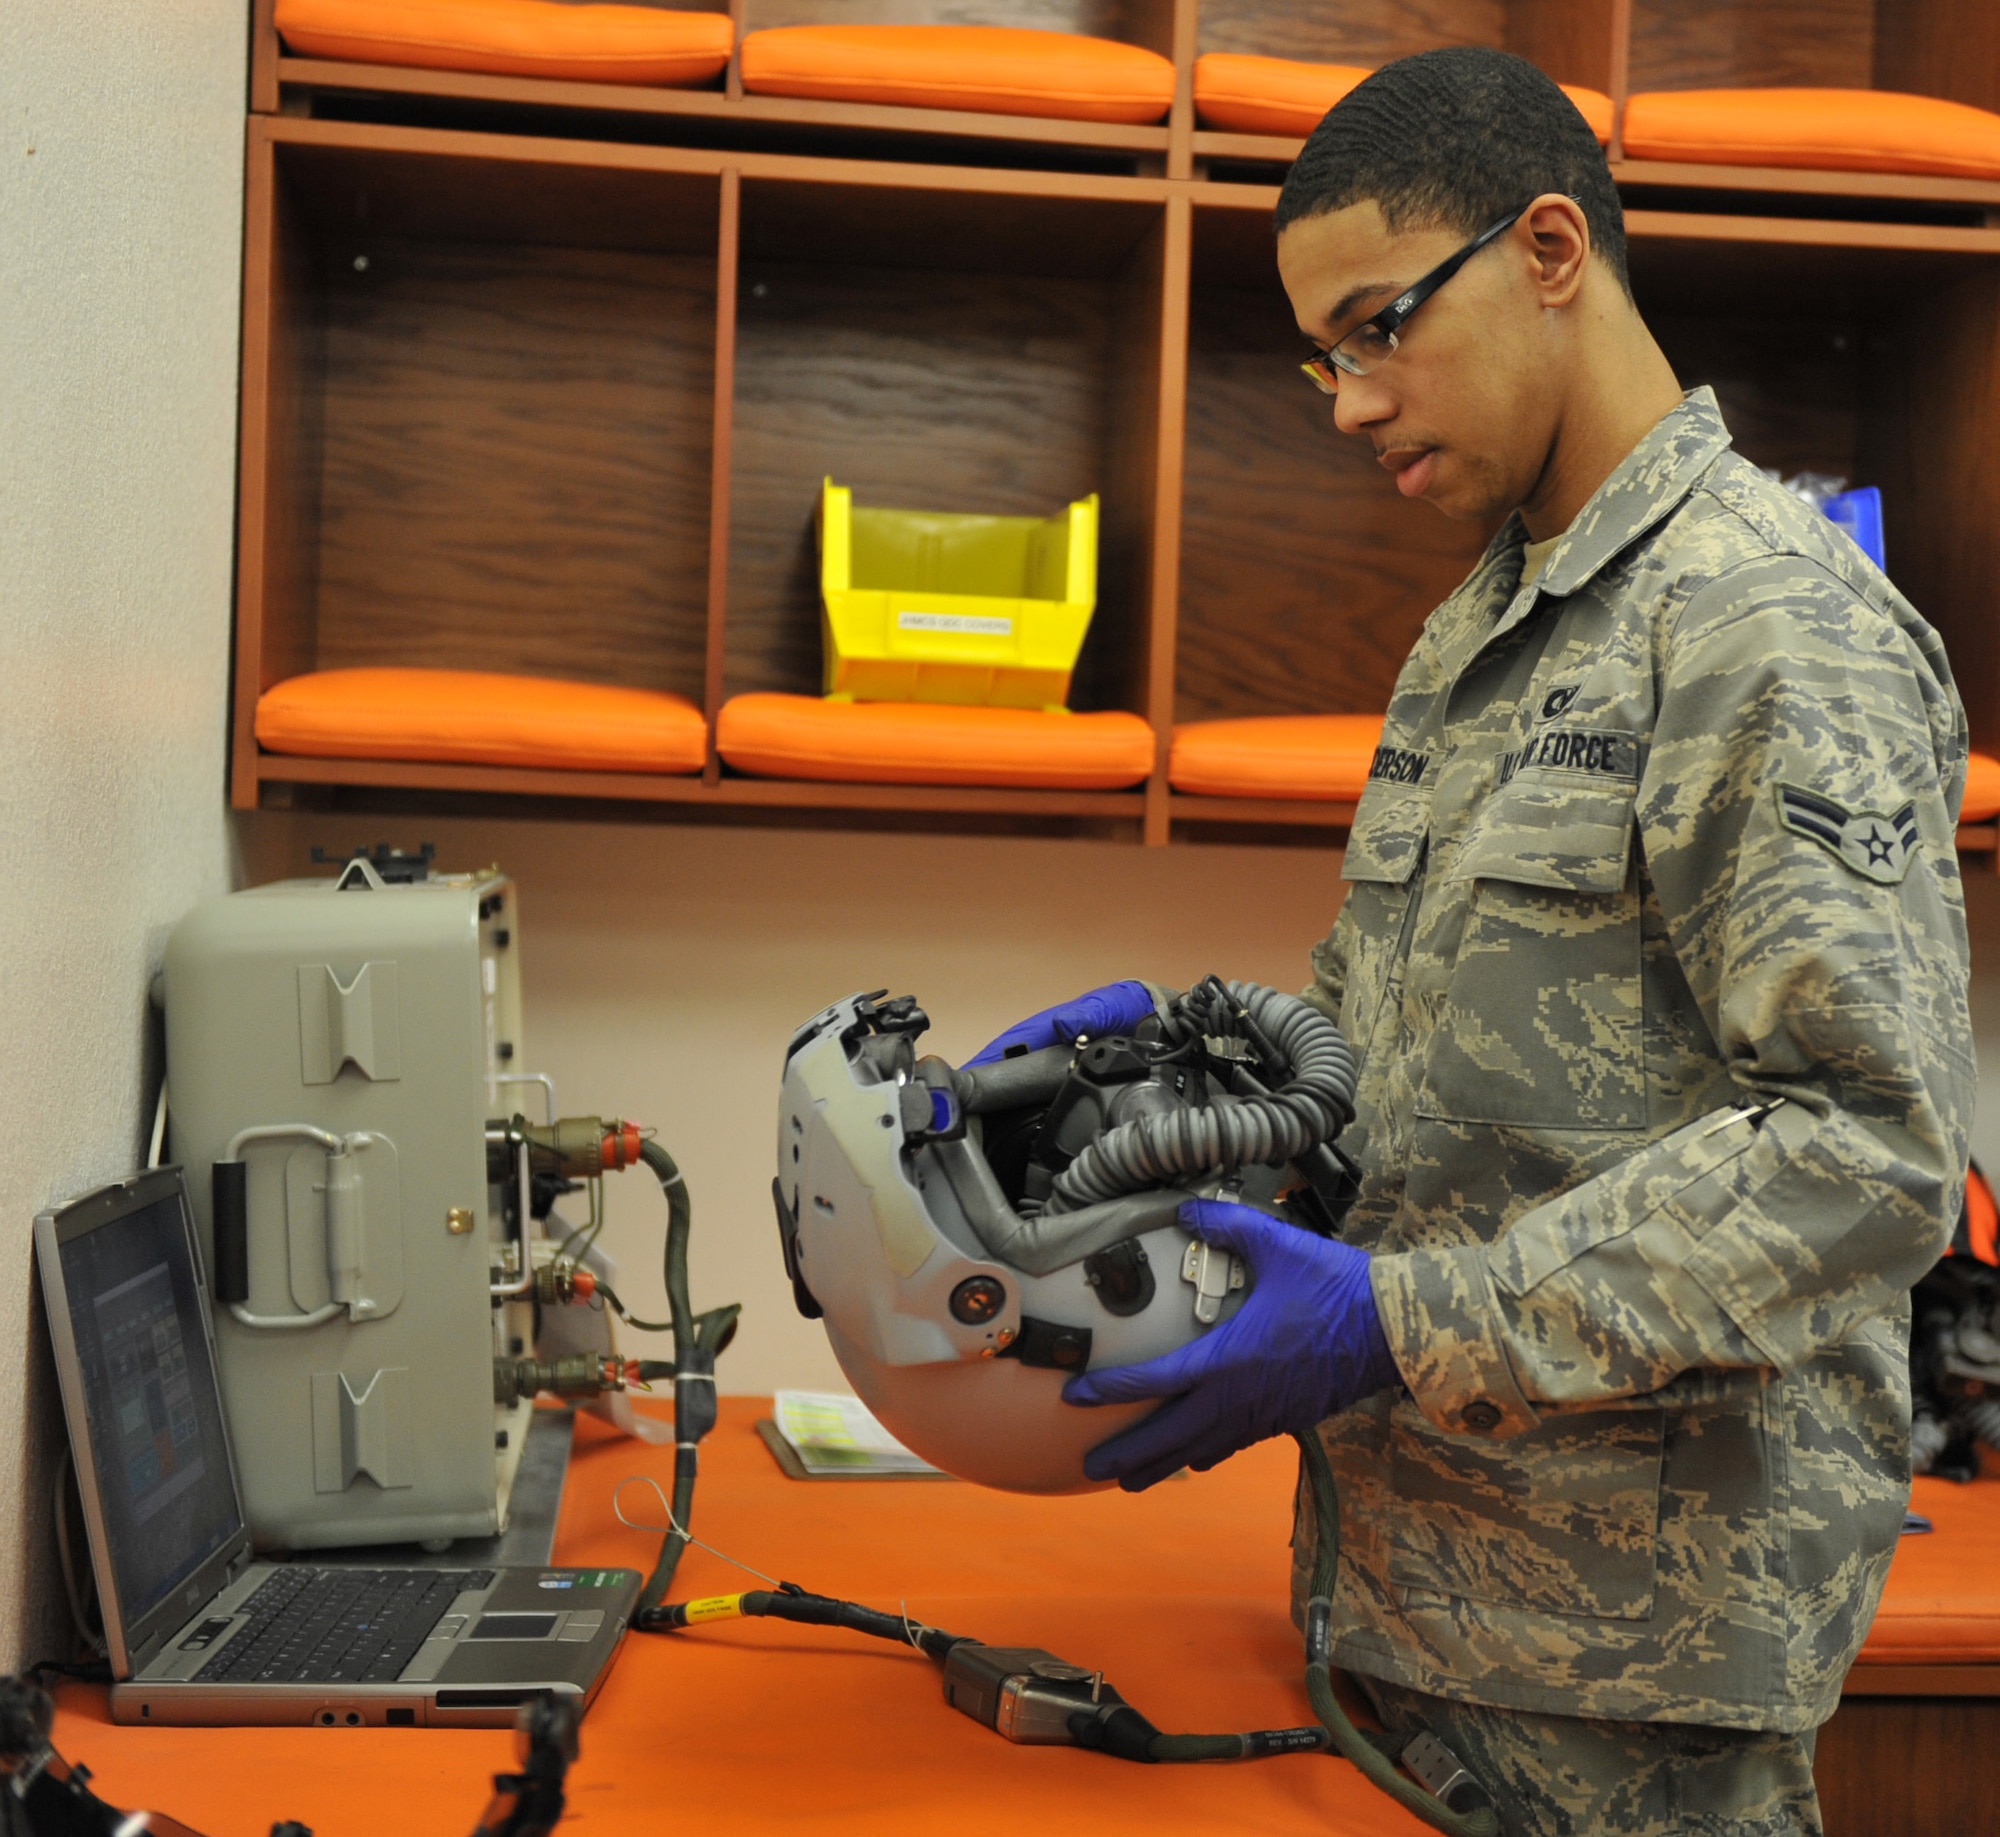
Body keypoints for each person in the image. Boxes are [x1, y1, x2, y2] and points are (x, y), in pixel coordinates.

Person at [979, 46, 1974, 1837]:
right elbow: (1406, 1070)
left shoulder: (1769, 624)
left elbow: (1869, 1156)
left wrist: (1398, 1324)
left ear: (1544, 251)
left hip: (1638, 1687)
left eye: (1376, 329)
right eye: (1325, 357)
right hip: (1410, 1619)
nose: (1349, 402)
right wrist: (1189, 1082)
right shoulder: (1481, 630)